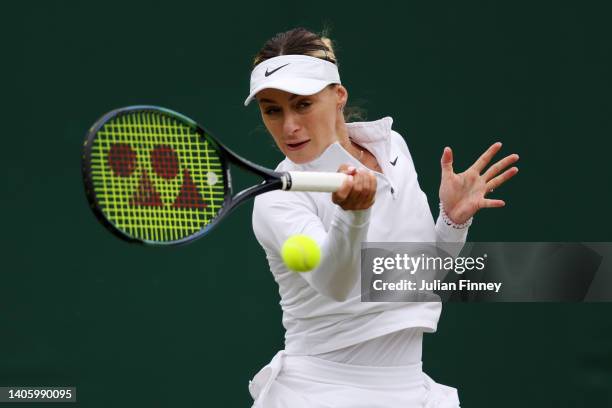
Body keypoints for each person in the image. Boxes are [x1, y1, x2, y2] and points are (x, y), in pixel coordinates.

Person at [244, 27, 519, 408]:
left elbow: (423, 274)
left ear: (338, 96)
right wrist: (352, 217)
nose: (289, 126)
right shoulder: (277, 200)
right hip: (320, 393)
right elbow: (334, 282)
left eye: (302, 104)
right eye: (273, 110)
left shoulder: (393, 149)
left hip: (410, 389)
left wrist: (453, 221)